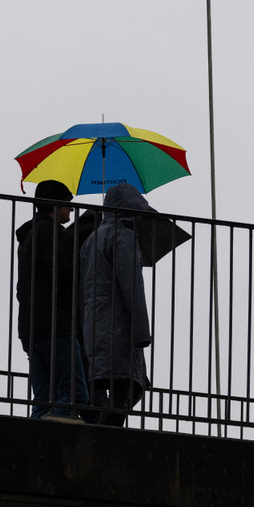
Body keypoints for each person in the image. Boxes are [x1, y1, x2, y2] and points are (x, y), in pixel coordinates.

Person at [79, 183, 153, 427]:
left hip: (95, 326)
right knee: (125, 389)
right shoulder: (123, 237)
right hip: (119, 326)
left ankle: (101, 436)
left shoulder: (91, 240)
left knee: (114, 387)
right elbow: (132, 287)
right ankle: (103, 440)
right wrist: (142, 332)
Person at [15, 180, 89, 419]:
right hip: (56, 325)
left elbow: (23, 287)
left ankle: (34, 443)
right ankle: (55, 441)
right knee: (75, 394)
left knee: (44, 396)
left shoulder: (28, 237)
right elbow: (65, 277)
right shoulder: (54, 234)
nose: (70, 210)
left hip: (30, 325)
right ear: (55, 206)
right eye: (67, 205)